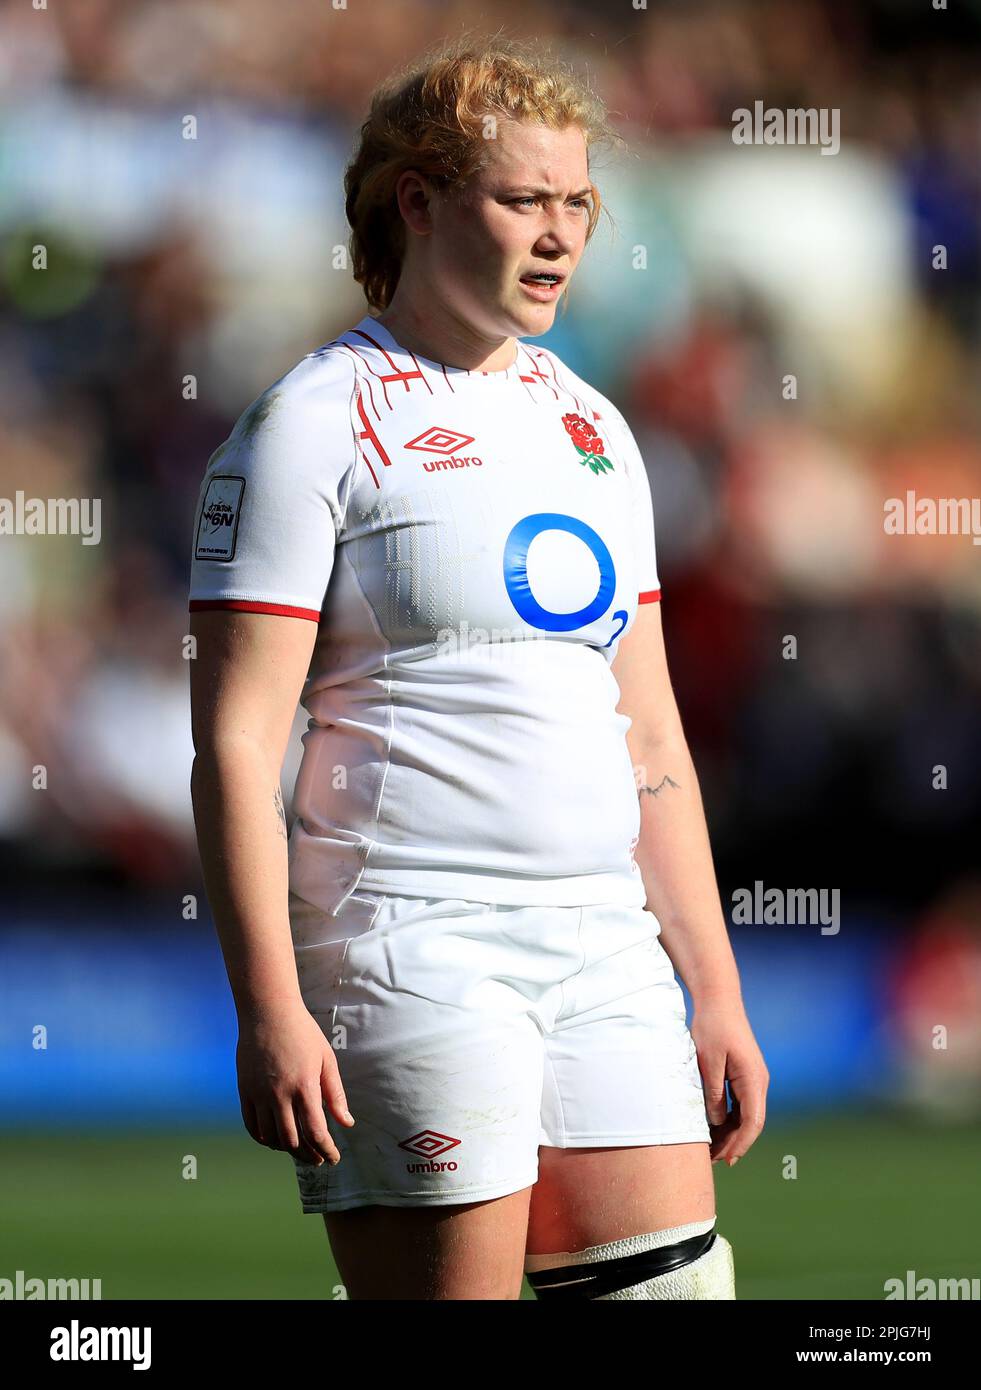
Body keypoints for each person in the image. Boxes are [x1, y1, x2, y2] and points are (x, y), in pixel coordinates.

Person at [187, 34, 768, 1301]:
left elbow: (652, 736)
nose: (560, 235)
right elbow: (237, 742)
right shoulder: (311, 423)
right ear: (420, 201)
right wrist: (269, 1009)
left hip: (607, 949)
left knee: (679, 1291)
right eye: (523, 200)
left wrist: (713, 987)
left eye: (578, 203)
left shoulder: (596, 427)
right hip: (411, 948)